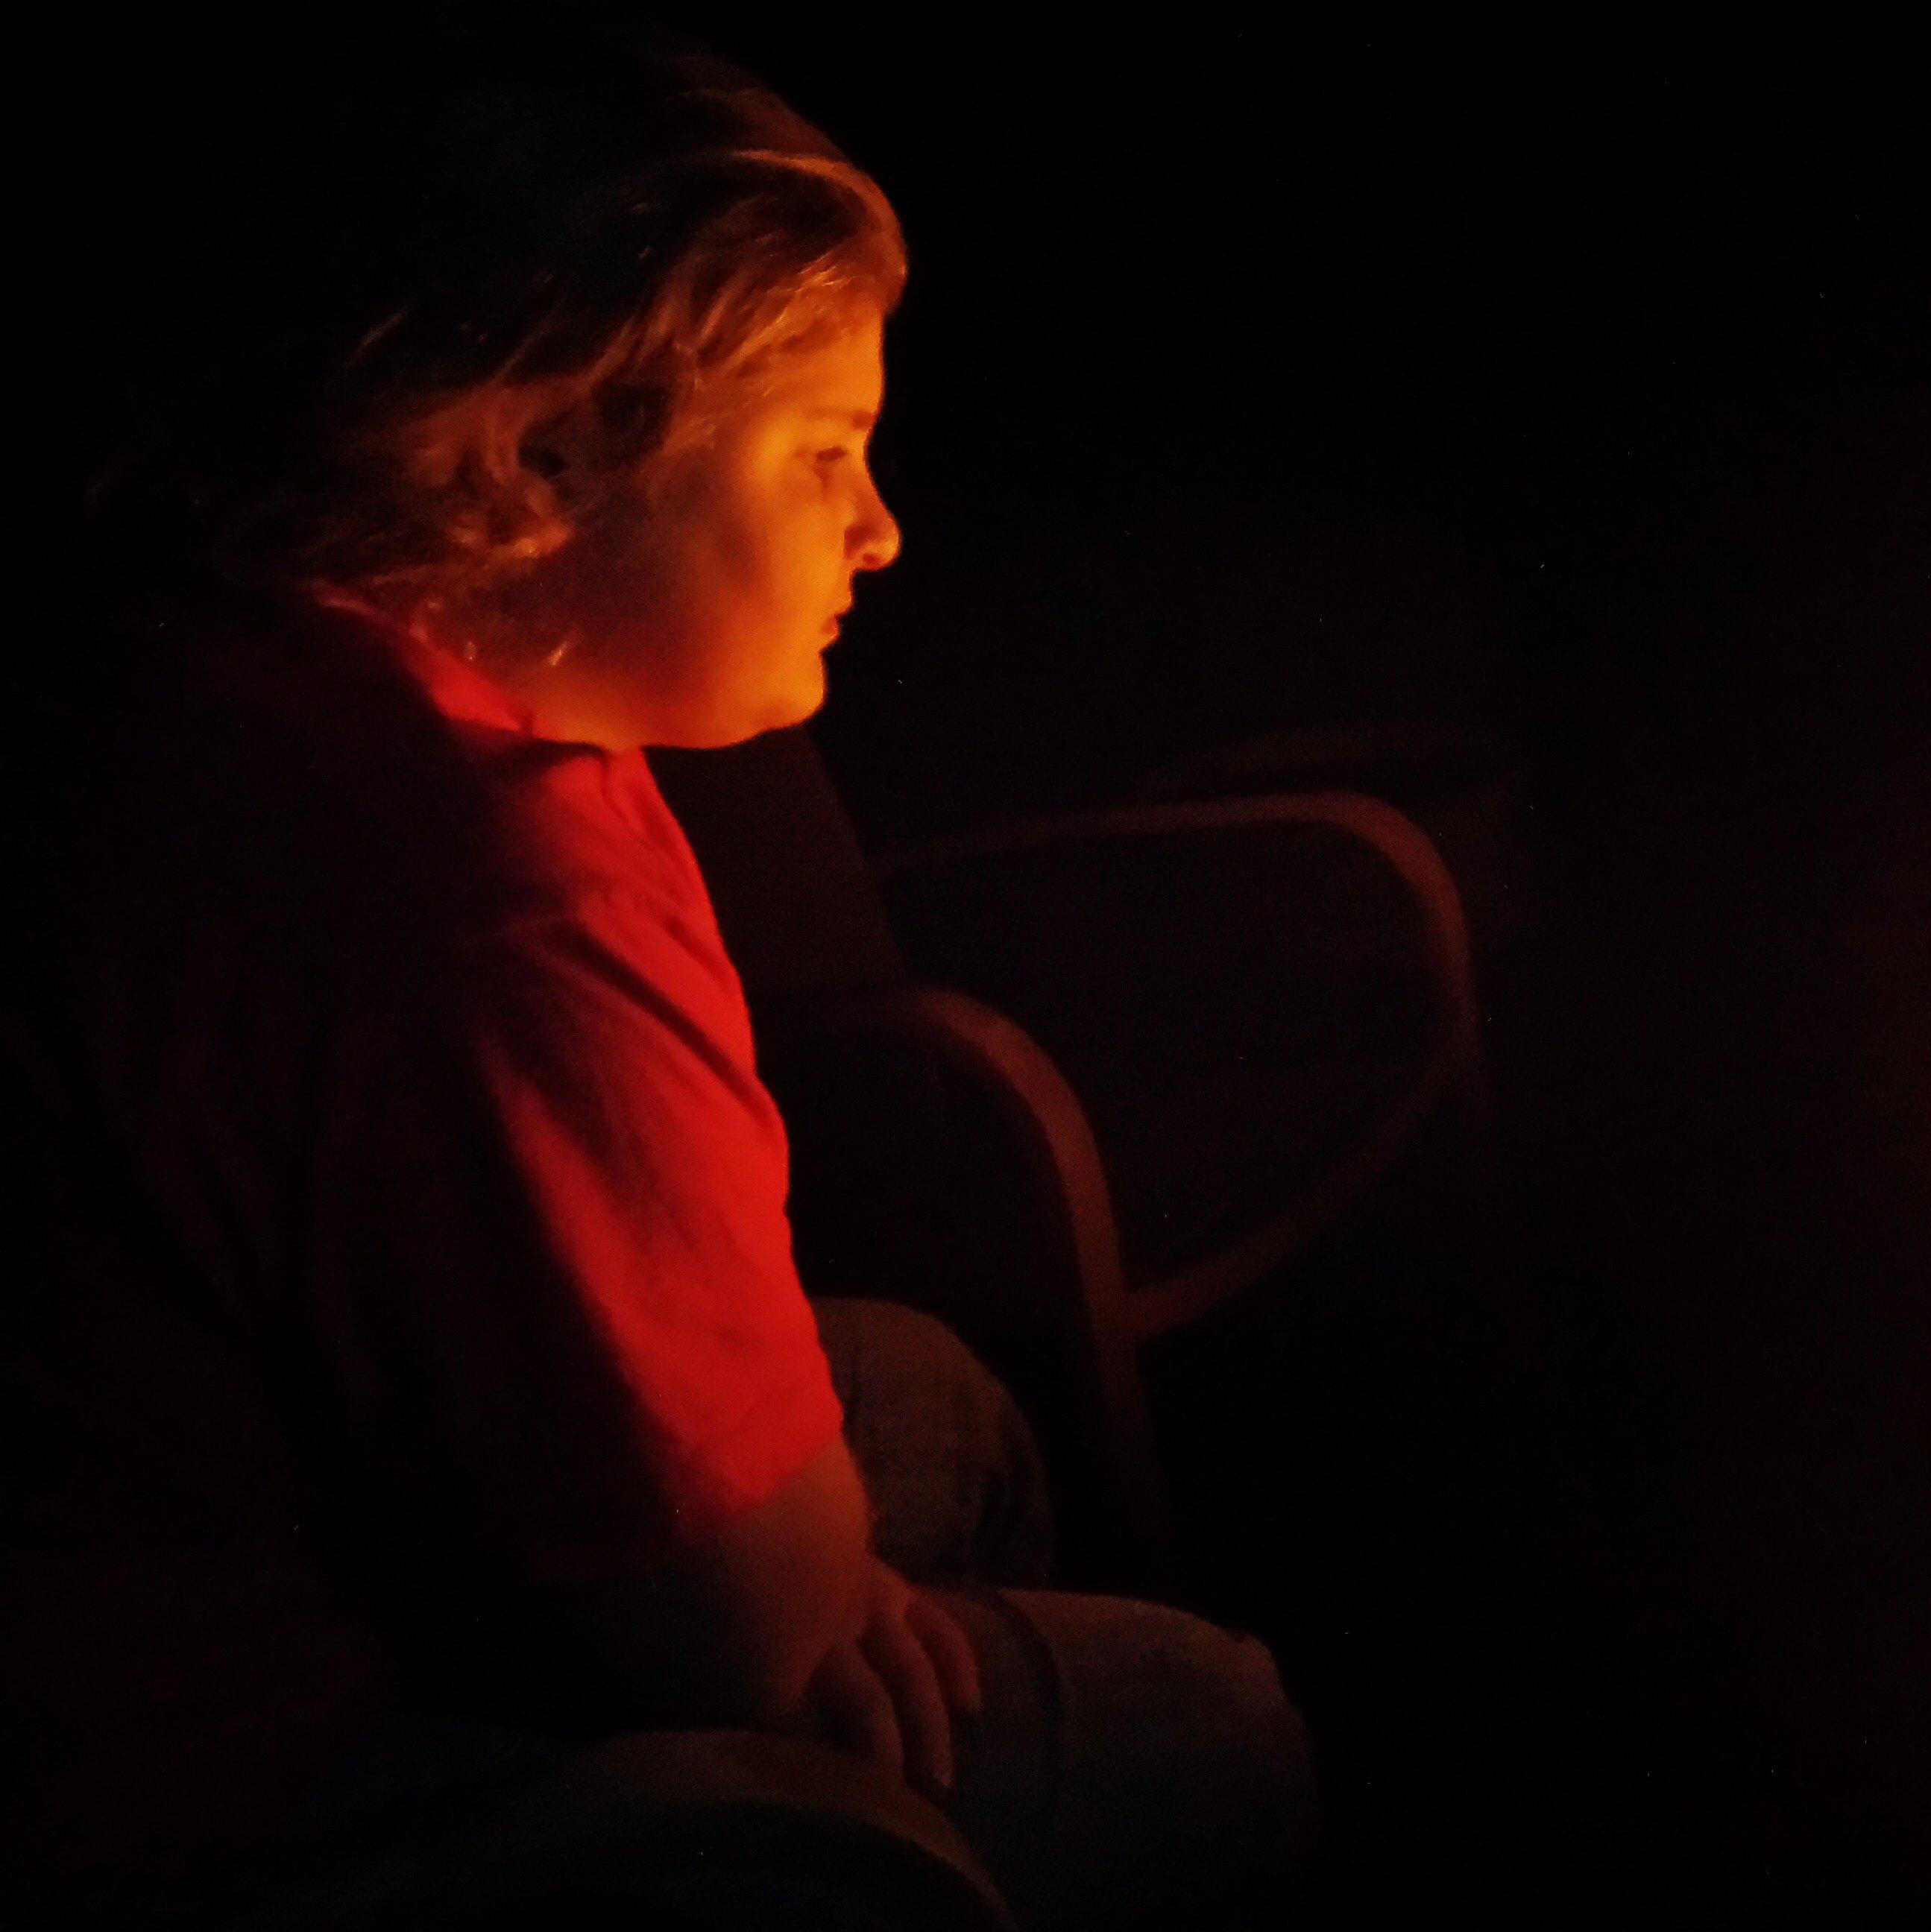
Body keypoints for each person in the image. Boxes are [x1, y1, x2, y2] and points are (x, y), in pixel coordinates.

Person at [10, 25, 1310, 1927]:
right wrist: (796, 1600)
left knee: (928, 1396)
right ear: (546, 455)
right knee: (1219, 1725)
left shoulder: (255, 652)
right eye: (819, 454)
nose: (880, 528)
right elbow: (749, 1651)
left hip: (191, 1573)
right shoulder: (483, 891)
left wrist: (814, 1564)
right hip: (214, 1798)